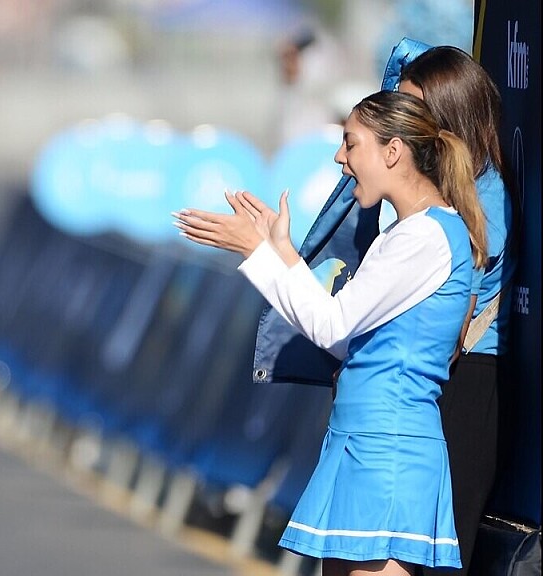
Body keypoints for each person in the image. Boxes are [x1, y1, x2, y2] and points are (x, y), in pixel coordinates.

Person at [174, 90, 487, 575]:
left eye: (351, 143)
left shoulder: (425, 237)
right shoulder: (405, 233)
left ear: (393, 151)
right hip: (360, 444)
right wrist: (282, 253)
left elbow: (331, 323)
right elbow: (345, 340)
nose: (340, 157)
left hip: (388, 454)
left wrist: (255, 252)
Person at [397, 45, 519, 576]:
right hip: (433, 377)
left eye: (413, 110)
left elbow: (450, 322)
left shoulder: (482, 197)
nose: (401, 123)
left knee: (439, 556)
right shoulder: (433, 190)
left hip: (462, 381)